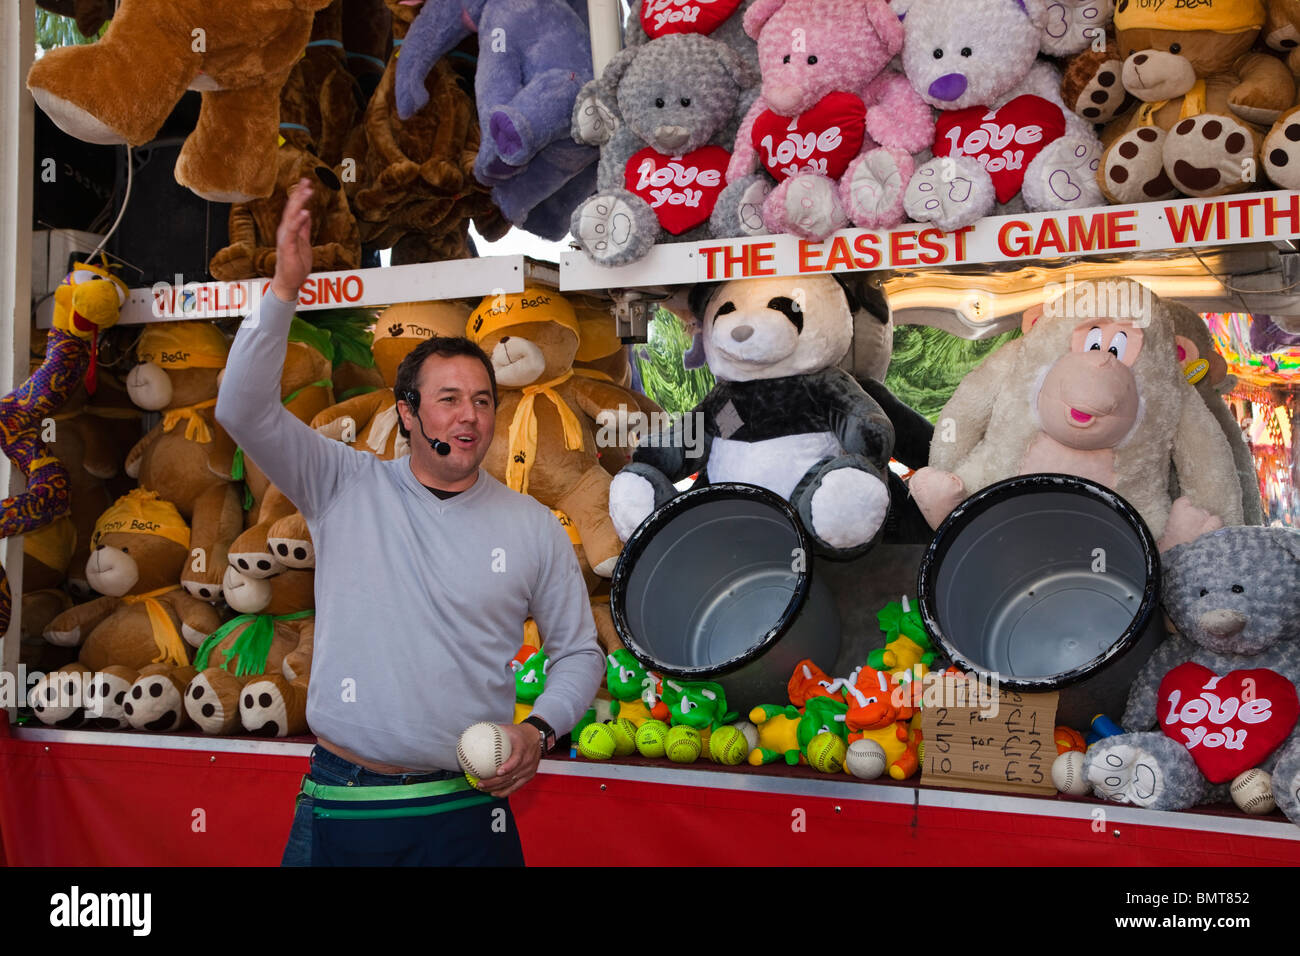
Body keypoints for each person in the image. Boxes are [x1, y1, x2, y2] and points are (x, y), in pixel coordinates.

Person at [215, 180, 605, 866]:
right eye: (448, 398)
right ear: (407, 413)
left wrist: (539, 731)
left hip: (468, 811)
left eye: (482, 400)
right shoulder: (341, 482)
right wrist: (283, 289)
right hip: (344, 801)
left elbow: (577, 654)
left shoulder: (533, 526)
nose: (469, 416)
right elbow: (243, 410)